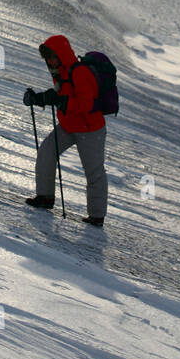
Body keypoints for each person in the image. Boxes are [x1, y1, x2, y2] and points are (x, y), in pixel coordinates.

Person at [23, 34, 107, 227]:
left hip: (90, 129)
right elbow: (60, 94)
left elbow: (87, 104)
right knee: (46, 152)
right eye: (48, 58)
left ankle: (97, 216)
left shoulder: (80, 72)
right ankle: (45, 197)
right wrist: (38, 99)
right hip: (69, 125)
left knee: (94, 172)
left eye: (52, 56)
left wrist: (63, 102)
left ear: (61, 54)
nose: (50, 61)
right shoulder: (60, 72)